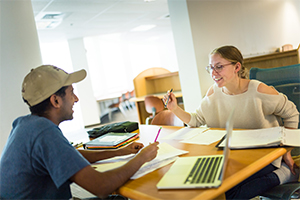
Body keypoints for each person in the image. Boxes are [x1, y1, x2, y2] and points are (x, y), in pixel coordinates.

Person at [0, 65, 159, 199]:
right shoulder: (44, 132)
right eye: (71, 93)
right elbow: (101, 186)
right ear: (56, 100)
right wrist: (142, 157)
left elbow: (70, 157)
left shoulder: (25, 124)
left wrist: (119, 151)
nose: (76, 99)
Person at [163, 45, 299, 199]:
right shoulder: (213, 93)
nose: (213, 73)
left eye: (219, 67)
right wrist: (174, 108)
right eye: (211, 68)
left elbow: (292, 114)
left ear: (237, 67)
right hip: (232, 157)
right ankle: (282, 176)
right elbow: (196, 120)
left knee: (227, 194)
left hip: (263, 156)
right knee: (212, 189)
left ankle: (284, 174)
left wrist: (287, 150)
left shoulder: (259, 91)